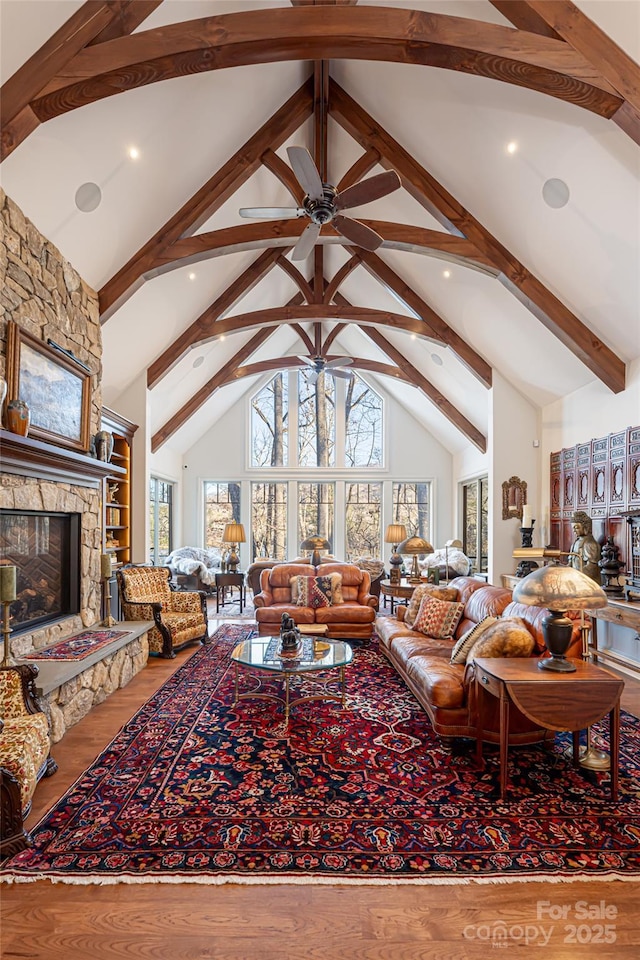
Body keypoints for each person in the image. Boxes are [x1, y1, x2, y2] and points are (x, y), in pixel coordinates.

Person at [569, 511, 601, 583]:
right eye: (573, 528)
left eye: (576, 527)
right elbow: (570, 563)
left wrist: (576, 576)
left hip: (586, 582)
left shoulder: (590, 544)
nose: (574, 530)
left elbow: (591, 568)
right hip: (575, 579)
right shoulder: (575, 543)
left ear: (585, 527)